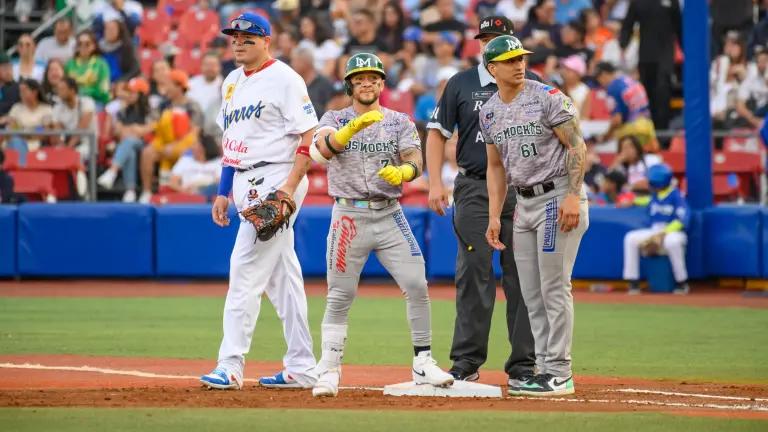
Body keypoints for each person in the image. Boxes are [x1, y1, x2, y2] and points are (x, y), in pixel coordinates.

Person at [308, 52, 454, 398]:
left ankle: (423, 361)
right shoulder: (334, 117)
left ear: (381, 84)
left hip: (390, 212)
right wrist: (350, 129)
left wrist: (404, 171)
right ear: (350, 85)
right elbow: (322, 150)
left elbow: (415, 160)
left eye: (373, 79)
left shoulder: (399, 121)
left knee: (416, 283)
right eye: (360, 79)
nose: (367, 84)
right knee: (340, 294)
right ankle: (329, 368)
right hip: (348, 214)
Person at [199, 12, 319, 391]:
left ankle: (230, 364)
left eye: (248, 37)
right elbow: (231, 144)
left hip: (277, 177)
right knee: (284, 279)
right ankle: (302, 367)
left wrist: (289, 187)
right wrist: (222, 191)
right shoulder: (232, 81)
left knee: (244, 268)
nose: (239, 42)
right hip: (243, 179)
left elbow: (309, 135)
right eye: (234, 37)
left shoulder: (285, 78)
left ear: (266, 40)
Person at [425, 15, 538, 386]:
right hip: (474, 187)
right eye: (486, 38)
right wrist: (435, 183)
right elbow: (437, 133)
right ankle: (466, 361)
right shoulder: (461, 83)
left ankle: (523, 365)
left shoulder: (533, 83)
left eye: (499, 37)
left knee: (523, 276)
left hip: (521, 189)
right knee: (474, 272)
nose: (491, 43)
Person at [481, 35, 589, 396]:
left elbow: (576, 145)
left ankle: (560, 371)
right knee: (530, 292)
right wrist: (494, 215)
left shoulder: (547, 96)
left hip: (557, 196)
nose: (519, 64)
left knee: (554, 287)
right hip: (523, 203)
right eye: (510, 60)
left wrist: (572, 195)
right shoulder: (489, 111)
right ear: (492, 68)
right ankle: (543, 368)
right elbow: (495, 166)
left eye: (521, 58)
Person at [623, 163, 690, 295]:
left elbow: (682, 220)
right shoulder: (656, 195)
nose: (648, 183)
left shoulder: (676, 196)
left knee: (672, 242)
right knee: (630, 238)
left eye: (650, 181)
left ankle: (681, 282)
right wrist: (632, 201)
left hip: (673, 233)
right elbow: (646, 201)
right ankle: (633, 282)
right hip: (655, 231)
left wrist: (663, 233)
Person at [139, 69, 202, 203]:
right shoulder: (163, 105)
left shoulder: (192, 106)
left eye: (168, 84)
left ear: (179, 86)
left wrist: (175, 146)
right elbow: (153, 124)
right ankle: (147, 192)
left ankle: (179, 193)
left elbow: (194, 132)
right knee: (147, 153)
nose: (165, 88)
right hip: (164, 143)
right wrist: (138, 130)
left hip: (184, 145)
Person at [97, 77, 154, 202]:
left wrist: (133, 130)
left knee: (130, 141)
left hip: (146, 145)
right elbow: (118, 131)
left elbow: (147, 130)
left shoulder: (150, 110)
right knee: (130, 149)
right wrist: (133, 129)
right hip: (127, 144)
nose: (129, 95)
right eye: (128, 92)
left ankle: (112, 171)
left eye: (133, 92)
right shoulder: (123, 110)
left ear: (141, 95)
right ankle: (130, 191)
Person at [594, 61, 658, 153]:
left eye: (598, 78)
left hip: (632, 132)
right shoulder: (630, 81)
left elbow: (617, 120)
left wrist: (606, 136)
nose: (599, 82)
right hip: (648, 128)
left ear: (604, 74)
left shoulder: (612, 88)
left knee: (628, 160)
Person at [1, 79, 53, 166]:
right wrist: (20, 128)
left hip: (34, 144)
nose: (21, 94)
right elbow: (11, 127)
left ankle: (21, 169)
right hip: (13, 141)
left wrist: (25, 130)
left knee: (16, 141)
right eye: (20, 91)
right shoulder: (16, 107)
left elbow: (45, 129)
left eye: (24, 91)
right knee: (15, 140)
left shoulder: (46, 109)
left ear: (34, 92)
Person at [65, 30, 111, 106]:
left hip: (95, 102)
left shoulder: (101, 64)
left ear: (94, 46)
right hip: (72, 102)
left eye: (87, 44)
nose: (83, 46)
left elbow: (103, 90)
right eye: (80, 44)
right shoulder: (70, 64)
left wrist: (84, 91)